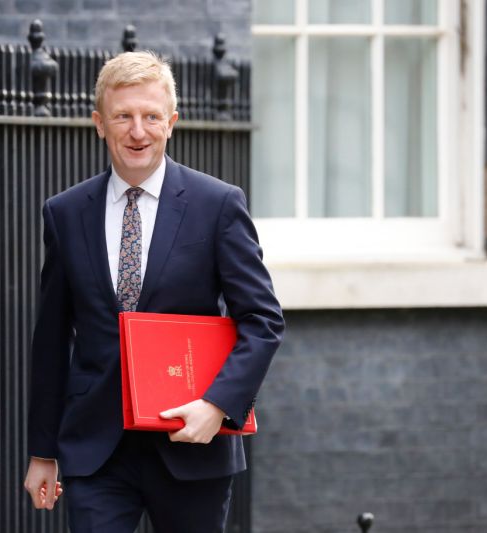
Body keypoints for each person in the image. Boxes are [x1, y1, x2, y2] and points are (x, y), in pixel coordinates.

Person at [22, 50, 285, 533]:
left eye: (150, 116)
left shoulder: (218, 205)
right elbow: (53, 338)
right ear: (100, 123)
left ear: (172, 122)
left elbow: (263, 320)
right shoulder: (65, 212)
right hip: (97, 450)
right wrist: (43, 451)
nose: (137, 131)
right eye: (123, 116)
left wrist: (218, 405)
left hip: (192, 444)